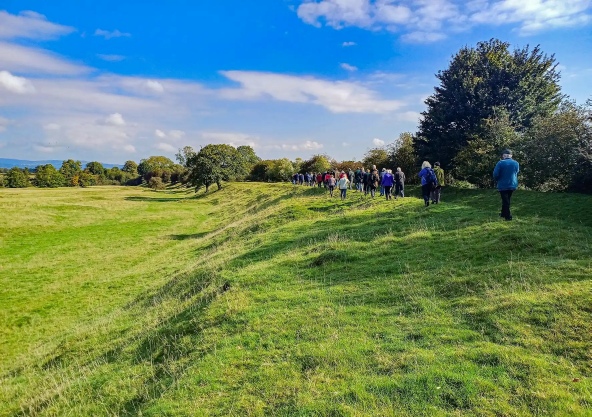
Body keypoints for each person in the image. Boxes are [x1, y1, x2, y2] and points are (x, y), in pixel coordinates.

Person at [493, 149, 519, 221]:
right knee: (507, 199)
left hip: (503, 184)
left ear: (503, 155)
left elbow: (495, 174)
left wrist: (497, 179)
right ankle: (503, 213)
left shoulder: (500, 163)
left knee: (505, 201)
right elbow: (517, 172)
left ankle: (508, 216)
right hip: (512, 184)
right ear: (511, 156)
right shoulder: (516, 163)